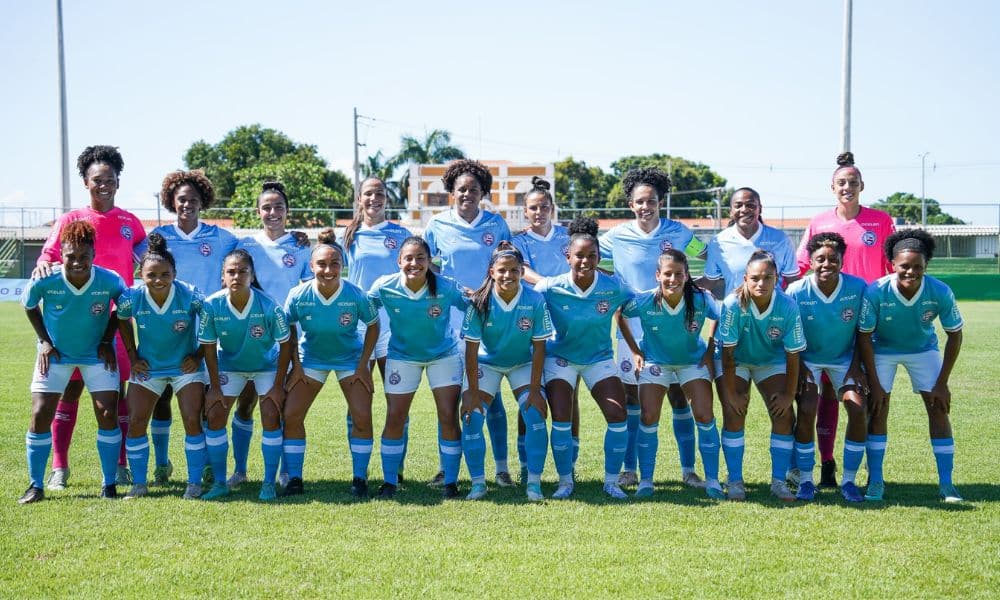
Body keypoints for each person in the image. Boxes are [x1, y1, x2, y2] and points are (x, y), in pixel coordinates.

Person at [34, 145, 145, 490]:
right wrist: (42, 264)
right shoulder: (71, 221)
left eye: (110, 179)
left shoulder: (130, 222)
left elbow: (149, 255)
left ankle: (120, 466)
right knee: (68, 392)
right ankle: (59, 467)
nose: (104, 185)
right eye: (97, 179)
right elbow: (48, 255)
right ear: (86, 182)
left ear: (118, 182)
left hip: (116, 324)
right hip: (74, 326)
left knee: (115, 396)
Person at [598, 167, 707, 489]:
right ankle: (630, 469)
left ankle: (688, 470)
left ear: (661, 202)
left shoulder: (679, 232)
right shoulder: (616, 236)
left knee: (678, 397)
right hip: (631, 326)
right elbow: (589, 261)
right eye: (640, 201)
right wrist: (613, 290)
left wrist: (700, 284)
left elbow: (706, 255)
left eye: (652, 201)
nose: (646, 207)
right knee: (634, 400)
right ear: (630, 204)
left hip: (673, 324)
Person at [131, 169, 238, 486]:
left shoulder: (221, 237)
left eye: (193, 199)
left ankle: (205, 465)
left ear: (202, 201)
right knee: (161, 400)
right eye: (181, 199)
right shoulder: (158, 237)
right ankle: (162, 464)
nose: (187, 204)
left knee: (202, 404)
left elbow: (251, 251)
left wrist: (300, 237)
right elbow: (132, 259)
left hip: (206, 333)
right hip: (164, 334)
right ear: (171, 202)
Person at [796, 152, 896, 487]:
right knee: (824, 395)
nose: (847, 187)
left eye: (853, 182)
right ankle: (826, 462)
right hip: (827, 319)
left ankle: (870, 471)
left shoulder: (880, 221)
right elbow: (801, 265)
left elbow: (894, 268)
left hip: (866, 321)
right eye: (841, 182)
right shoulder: (819, 222)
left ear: (862, 185)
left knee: (866, 395)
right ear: (832, 187)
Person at [20, 221, 126, 503]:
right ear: (61, 255)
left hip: (96, 355)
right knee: (40, 413)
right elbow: (29, 305)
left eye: (84, 256)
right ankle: (35, 486)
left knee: (107, 413)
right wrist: (44, 341)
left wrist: (107, 340)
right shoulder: (46, 279)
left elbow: (123, 307)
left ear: (94, 255)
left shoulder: (110, 280)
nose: (77, 262)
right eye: (71, 256)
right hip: (56, 355)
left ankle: (109, 484)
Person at [424, 159, 514, 487]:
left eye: (473, 189)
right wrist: (448, 287)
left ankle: (501, 469)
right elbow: (426, 264)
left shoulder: (496, 224)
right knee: (449, 399)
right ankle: (446, 468)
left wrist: (487, 291)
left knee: (492, 398)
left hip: (489, 322)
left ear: (482, 193)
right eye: (461, 189)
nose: (467, 194)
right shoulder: (437, 224)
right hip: (450, 324)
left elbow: (508, 264)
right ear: (452, 192)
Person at [857, 230, 964, 503]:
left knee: (938, 408)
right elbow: (864, 337)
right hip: (882, 350)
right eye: (905, 265)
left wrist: (942, 383)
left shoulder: (940, 291)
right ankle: (876, 480)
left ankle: (947, 484)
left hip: (923, 350)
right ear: (893, 263)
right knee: (878, 408)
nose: (911, 272)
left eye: (918, 266)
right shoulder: (876, 291)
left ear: (926, 265)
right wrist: (875, 384)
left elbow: (955, 335)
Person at [535, 217, 634, 499]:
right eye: (579, 255)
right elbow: (523, 301)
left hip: (598, 359)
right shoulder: (550, 287)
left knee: (617, 414)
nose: (585, 261)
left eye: (592, 255)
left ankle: (612, 482)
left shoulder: (613, 287)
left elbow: (641, 302)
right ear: (568, 257)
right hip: (560, 359)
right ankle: (565, 481)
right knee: (561, 417)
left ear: (599, 257)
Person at [367, 237, 468, 499]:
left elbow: (473, 305)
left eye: (421, 258)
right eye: (408, 258)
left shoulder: (446, 286)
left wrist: (473, 332)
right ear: (399, 261)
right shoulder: (385, 286)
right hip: (402, 356)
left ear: (429, 261)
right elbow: (363, 308)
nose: (414, 263)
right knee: (395, 416)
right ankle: (390, 482)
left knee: (448, 415)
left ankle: (451, 482)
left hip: (443, 356)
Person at [227, 181, 312, 490]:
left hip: (286, 337)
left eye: (279, 207)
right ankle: (239, 470)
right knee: (246, 403)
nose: (273, 212)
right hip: (249, 336)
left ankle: (285, 472)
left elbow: (309, 289)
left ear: (288, 211)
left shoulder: (301, 246)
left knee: (282, 406)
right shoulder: (245, 245)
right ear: (257, 211)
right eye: (267, 207)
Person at [619, 250, 725, 499]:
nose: (673, 279)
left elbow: (721, 316)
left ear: (687, 276)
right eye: (667, 274)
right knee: (648, 416)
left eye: (679, 274)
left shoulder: (701, 299)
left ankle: (712, 480)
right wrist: (635, 351)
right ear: (658, 275)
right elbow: (620, 314)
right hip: (656, 363)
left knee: (704, 414)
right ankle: (646, 480)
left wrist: (710, 349)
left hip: (691, 362)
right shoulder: (645, 300)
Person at [283, 229, 379, 498]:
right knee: (291, 415)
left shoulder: (356, 294)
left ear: (342, 265)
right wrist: (296, 366)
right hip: (311, 359)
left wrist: (363, 366)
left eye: (334, 263)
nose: (328, 270)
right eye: (322, 264)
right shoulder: (298, 294)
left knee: (362, 416)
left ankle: (360, 478)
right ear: (311, 266)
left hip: (350, 359)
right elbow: (288, 328)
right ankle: (295, 479)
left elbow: (373, 325)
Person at [116, 234, 208, 499]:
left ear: (174, 274)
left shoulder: (190, 294)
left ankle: (194, 483)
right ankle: (139, 484)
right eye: (151, 275)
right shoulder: (131, 296)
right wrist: (133, 357)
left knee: (191, 419)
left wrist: (198, 355)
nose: (158, 280)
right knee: (136, 421)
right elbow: (121, 319)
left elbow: (211, 320)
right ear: (140, 274)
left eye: (165, 274)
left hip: (184, 369)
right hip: (149, 368)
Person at [197, 249, 293, 501]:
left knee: (270, 414)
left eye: (243, 271)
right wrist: (214, 388)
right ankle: (221, 482)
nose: (236, 276)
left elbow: (286, 344)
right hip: (230, 366)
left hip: (266, 366)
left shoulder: (269, 306)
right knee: (215, 414)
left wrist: (278, 385)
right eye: (231, 271)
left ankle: (269, 483)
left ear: (252, 276)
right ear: (223, 276)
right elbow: (209, 347)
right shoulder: (212, 305)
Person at [461, 242, 552, 501]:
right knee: (472, 417)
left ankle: (533, 483)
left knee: (534, 414)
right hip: (486, 363)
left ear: (522, 272)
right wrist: (472, 393)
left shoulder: (534, 299)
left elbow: (539, 347)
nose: (508, 275)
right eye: (502, 270)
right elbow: (471, 351)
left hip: (522, 363)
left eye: (514, 270)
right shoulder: (479, 301)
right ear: (492, 272)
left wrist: (535, 391)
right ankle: (478, 484)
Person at [717, 250, 806, 502]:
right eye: (755, 278)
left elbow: (793, 355)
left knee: (783, 413)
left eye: (768, 277)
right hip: (737, 361)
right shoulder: (733, 304)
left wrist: (788, 394)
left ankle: (779, 481)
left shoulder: (787, 306)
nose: (761, 283)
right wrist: (731, 394)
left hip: (770, 361)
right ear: (745, 279)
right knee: (734, 411)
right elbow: (727, 354)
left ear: (777, 278)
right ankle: (735, 480)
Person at [340, 177, 413, 479]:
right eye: (368, 194)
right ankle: (360, 467)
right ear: (359, 199)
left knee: (397, 399)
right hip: (358, 328)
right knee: (357, 403)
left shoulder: (401, 234)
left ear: (387, 198)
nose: (374, 198)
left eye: (379, 193)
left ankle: (396, 465)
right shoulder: (348, 235)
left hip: (393, 327)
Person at [786, 233, 867, 502]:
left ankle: (849, 481)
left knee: (858, 408)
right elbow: (789, 333)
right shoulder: (796, 291)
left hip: (845, 360)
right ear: (810, 262)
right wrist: (800, 367)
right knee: (807, 408)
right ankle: (806, 480)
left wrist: (856, 367)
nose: (826, 264)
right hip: (808, 359)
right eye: (820, 259)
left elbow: (863, 331)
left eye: (833, 259)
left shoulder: (858, 288)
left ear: (842, 261)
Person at [510, 177, 576, 482]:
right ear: (526, 211)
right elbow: (521, 270)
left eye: (544, 207)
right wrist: (550, 284)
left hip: (567, 321)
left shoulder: (567, 236)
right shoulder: (519, 241)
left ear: (552, 208)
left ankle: (570, 461)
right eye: (533, 208)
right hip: (531, 321)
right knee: (529, 395)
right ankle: (526, 464)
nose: (539, 212)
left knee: (568, 394)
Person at [701, 187, 800, 299]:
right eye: (738, 205)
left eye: (750, 205)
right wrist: (685, 286)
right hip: (736, 309)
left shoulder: (780, 239)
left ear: (760, 209)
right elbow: (709, 281)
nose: (744, 209)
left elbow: (793, 281)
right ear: (730, 211)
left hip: (774, 309)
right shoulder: (718, 242)